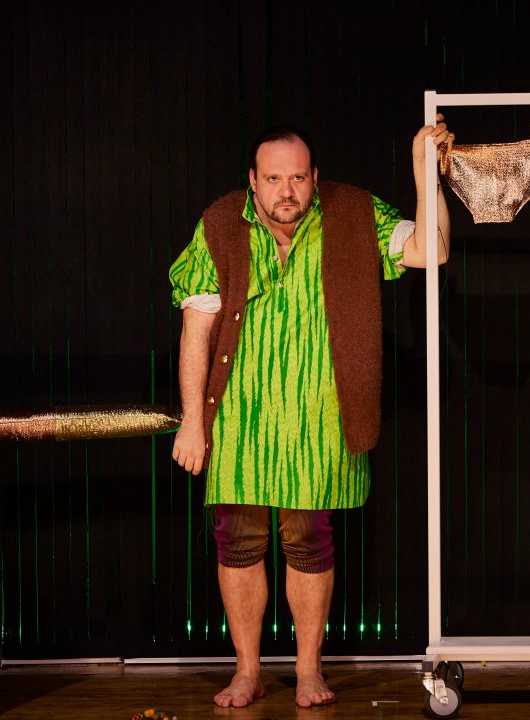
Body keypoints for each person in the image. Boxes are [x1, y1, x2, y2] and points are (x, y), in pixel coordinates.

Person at [168, 116, 451, 709]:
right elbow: (196, 329)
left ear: (315, 177)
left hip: (318, 418)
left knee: (309, 541)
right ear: (252, 179)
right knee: (237, 540)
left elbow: (432, 250)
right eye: (273, 178)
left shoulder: (353, 213)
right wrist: (193, 420)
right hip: (239, 417)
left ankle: (306, 671)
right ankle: (247, 672)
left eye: (297, 178)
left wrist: (425, 174)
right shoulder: (220, 223)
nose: (286, 191)